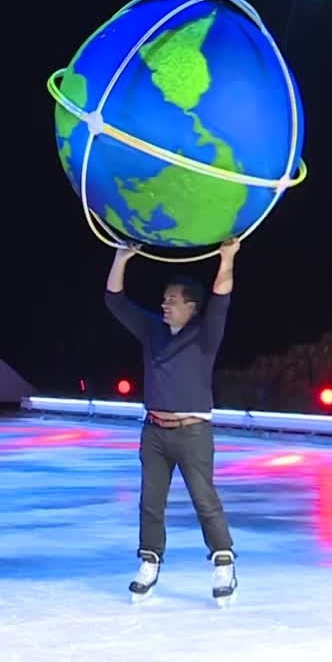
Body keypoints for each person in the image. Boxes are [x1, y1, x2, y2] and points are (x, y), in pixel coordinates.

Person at [104, 237, 240, 607]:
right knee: (151, 502)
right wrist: (121, 258)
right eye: (164, 299)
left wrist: (227, 257)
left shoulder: (205, 334)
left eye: (173, 300)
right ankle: (149, 562)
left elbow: (222, 295)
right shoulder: (152, 330)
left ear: (191, 307)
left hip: (193, 432)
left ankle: (223, 562)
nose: (164, 305)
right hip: (153, 432)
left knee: (203, 499)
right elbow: (114, 300)